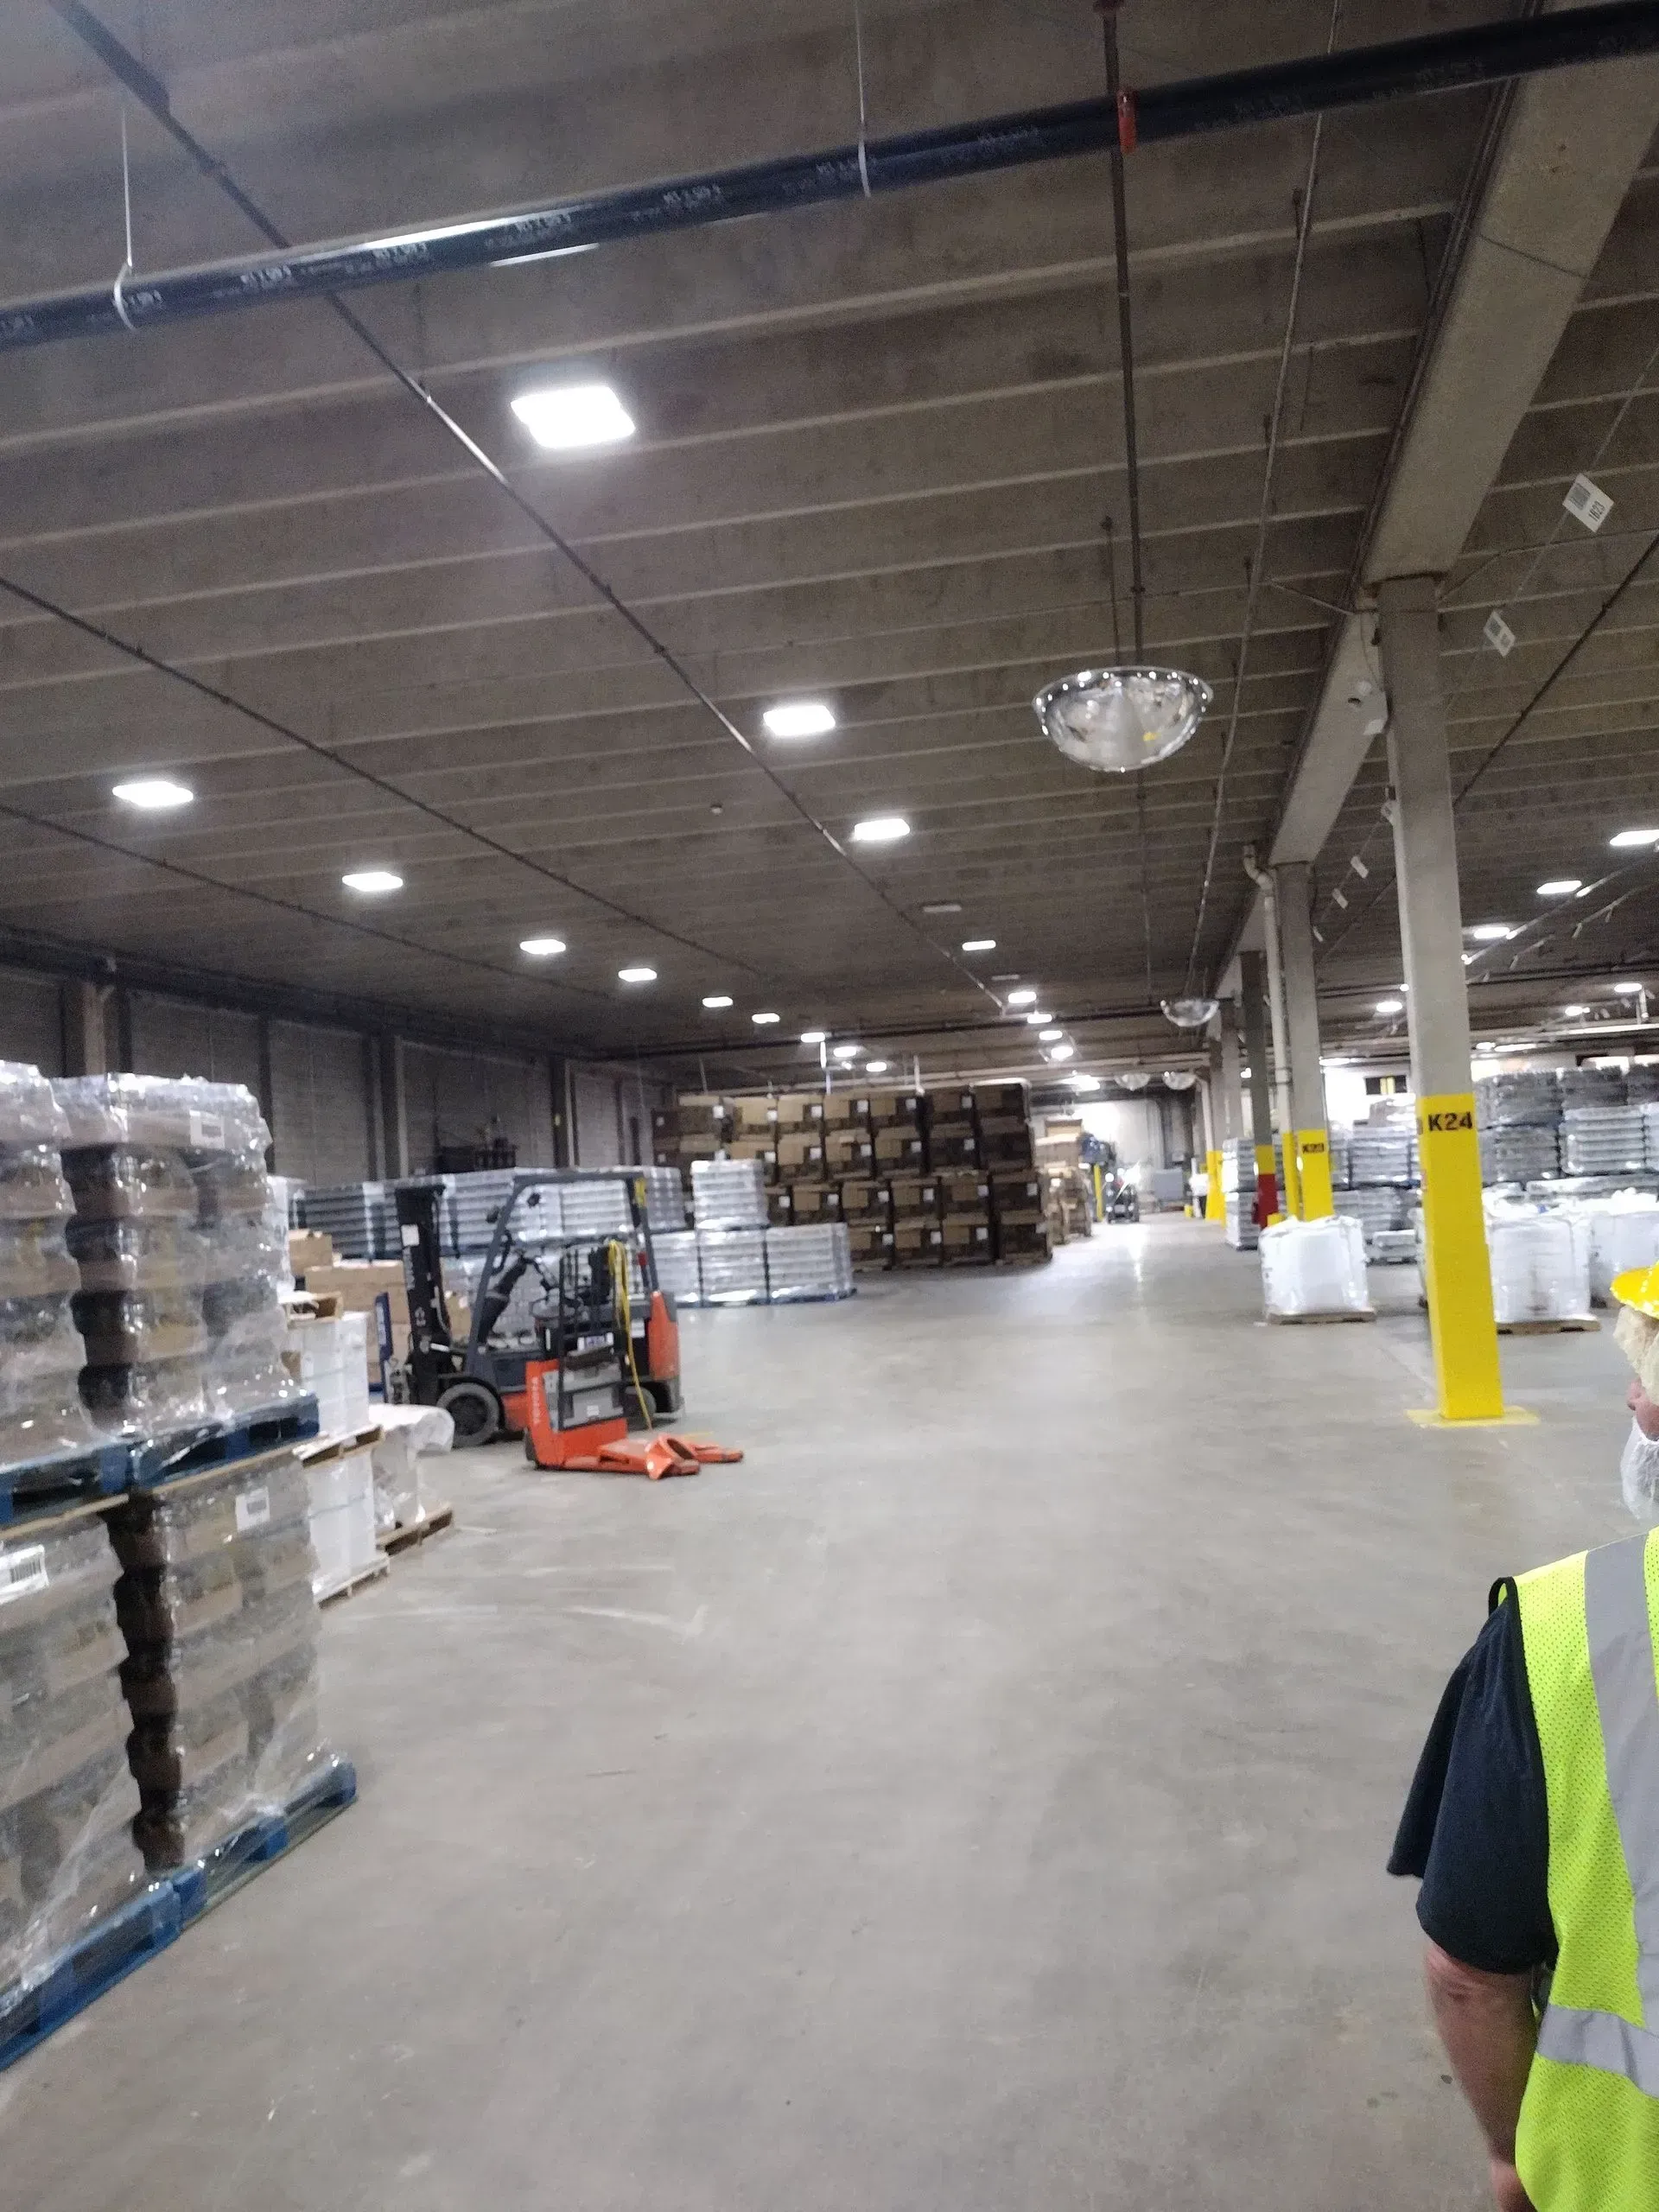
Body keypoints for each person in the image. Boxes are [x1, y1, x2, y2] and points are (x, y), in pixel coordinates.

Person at [1389, 1262, 1659, 2210]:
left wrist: (1511, 2155)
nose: (1631, 1398)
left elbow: (1469, 1973)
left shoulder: (1567, 1629)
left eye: (1644, 1375)